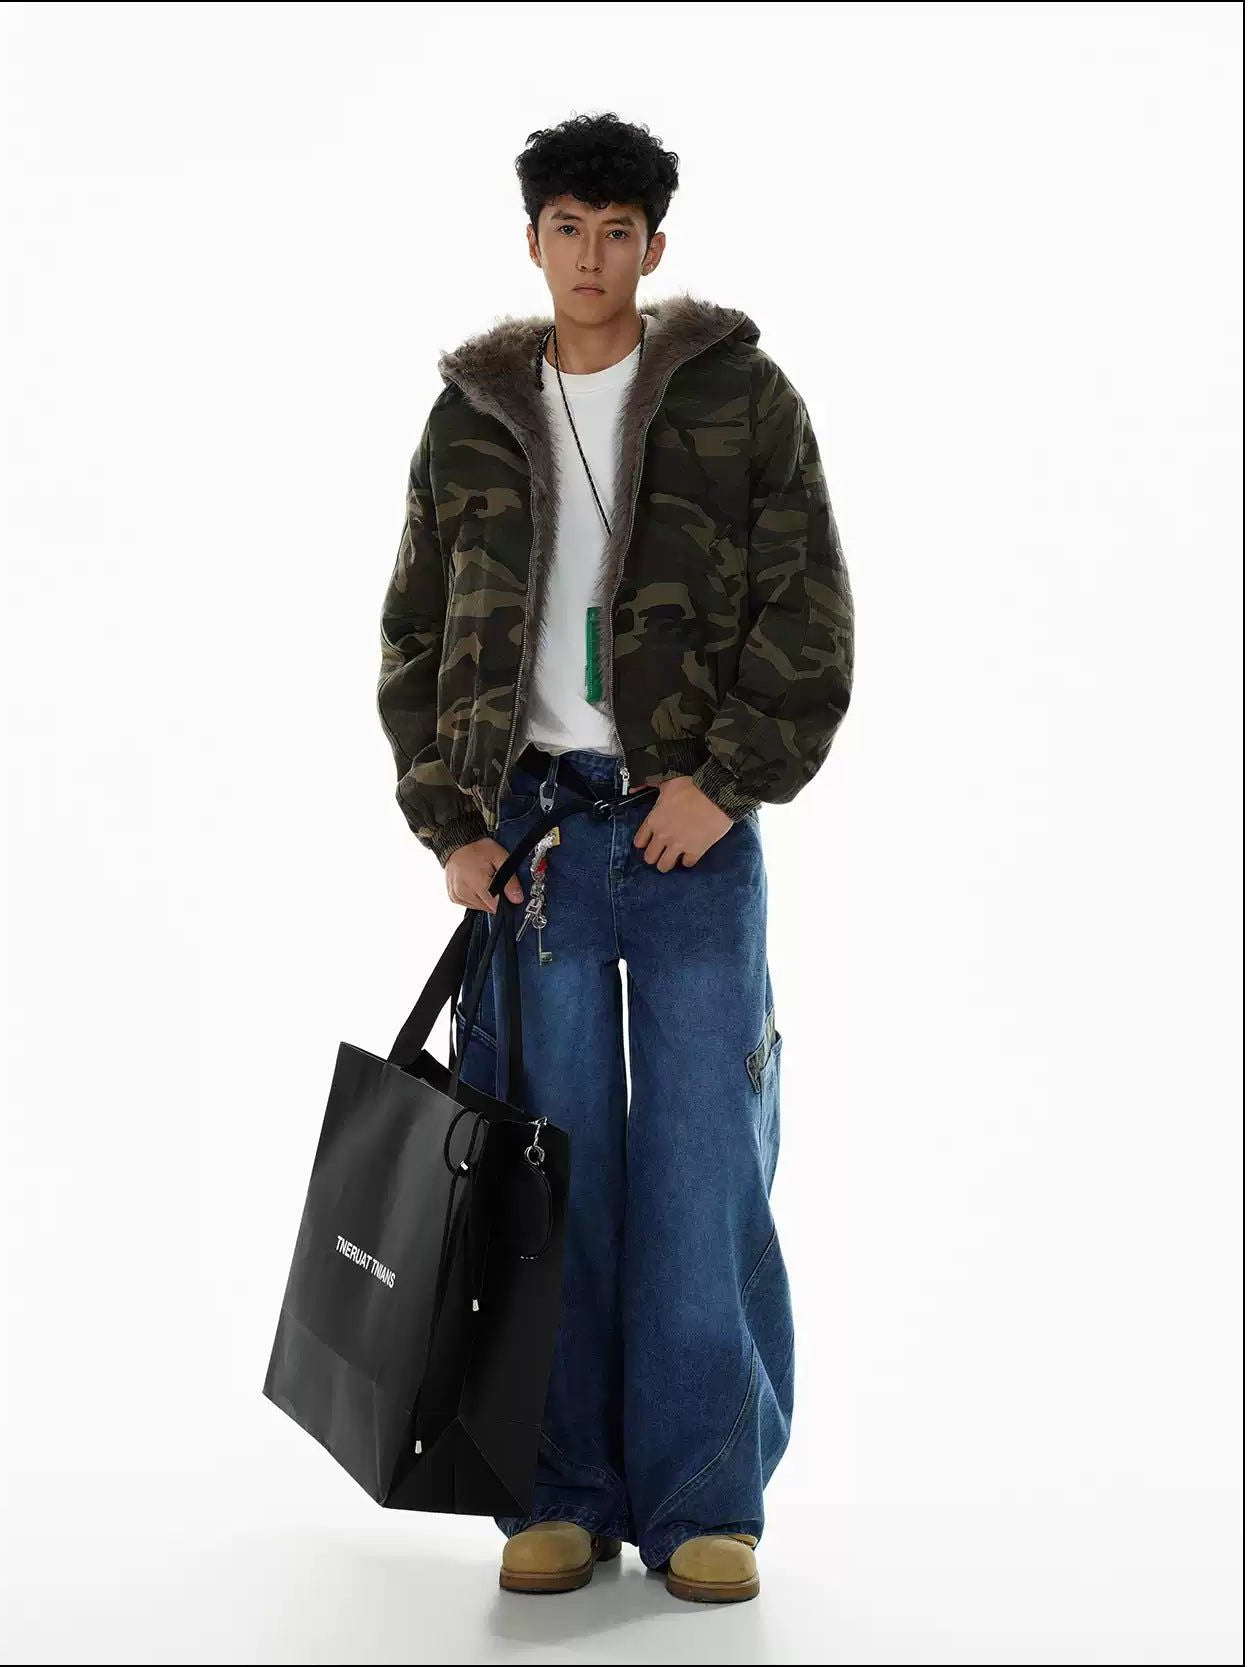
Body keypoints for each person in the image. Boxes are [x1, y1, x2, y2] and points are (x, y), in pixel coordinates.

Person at [376, 111, 854, 1603]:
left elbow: (809, 606)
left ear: (656, 246)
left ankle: (708, 1498)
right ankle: (562, 1490)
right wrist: (453, 822)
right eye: (568, 229)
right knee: (554, 1165)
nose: (592, 257)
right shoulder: (472, 416)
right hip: (533, 840)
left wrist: (726, 783)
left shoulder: (737, 394)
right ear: (533, 241)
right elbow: (414, 629)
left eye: (619, 232)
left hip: (688, 826)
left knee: (705, 1164)